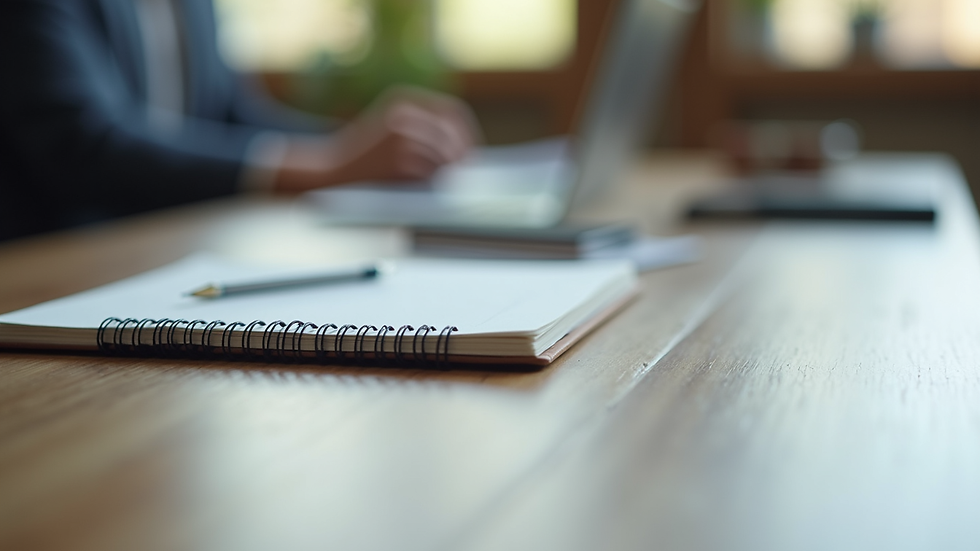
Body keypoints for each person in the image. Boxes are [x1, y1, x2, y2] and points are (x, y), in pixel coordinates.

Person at [0, 0, 478, 240]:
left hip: (171, 250)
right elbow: (83, 145)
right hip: (50, 273)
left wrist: (369, 148)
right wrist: (327, 164)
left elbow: (235, 115)